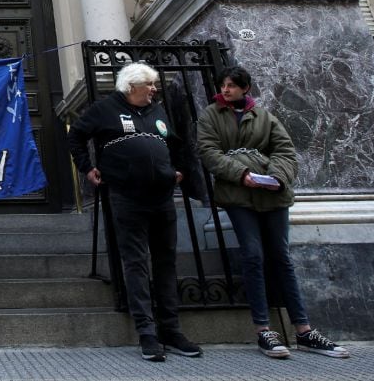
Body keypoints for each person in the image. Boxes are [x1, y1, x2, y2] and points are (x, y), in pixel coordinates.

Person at [197, 65, 349, 359]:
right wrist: (242, 173)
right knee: (253, 255)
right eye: (223, 85)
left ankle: (304, 330)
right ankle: (264, 329)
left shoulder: (264, 117)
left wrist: (277, 176)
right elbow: (208, 152)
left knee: (281, 257)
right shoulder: (210, 115)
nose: (225, 90)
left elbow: (285, 150)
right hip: (238, 194)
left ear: (245, 88)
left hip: (272, 195)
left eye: (231, 85)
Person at [68, 62, 203, 362]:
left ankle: (171, 328)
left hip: (162, 197)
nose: (155, 89)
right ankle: (147, 332)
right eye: (149, 85)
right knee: (136, 262)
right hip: (127, 197)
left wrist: (177, 171)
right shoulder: (105, 108)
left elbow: (174, 142)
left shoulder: (156, 110)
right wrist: (87, 168)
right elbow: (75, 135)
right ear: (131, 87)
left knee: (166, 261)